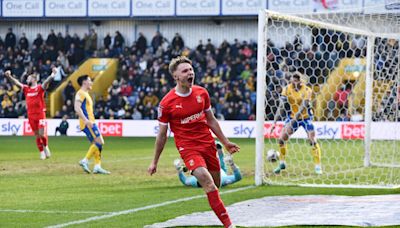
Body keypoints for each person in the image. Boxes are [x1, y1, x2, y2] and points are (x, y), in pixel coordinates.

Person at [148, 56, 239, 228]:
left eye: (191, 70)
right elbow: (162, 135)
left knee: (215, 185)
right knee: (207, 181)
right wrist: (154, 161)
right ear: (175, 76)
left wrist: (225, 142)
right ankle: (229, 225)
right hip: (188, 148)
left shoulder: (202, 93)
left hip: (208, 144)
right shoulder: (166, 103)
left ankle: (209, 193)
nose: (190, 73)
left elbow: (211, 120)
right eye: (185, 71)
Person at [270, 72, 322, 175]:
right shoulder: (287, 89)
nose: (295, 82)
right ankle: (282, 163)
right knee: (281, 139)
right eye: (294, 80)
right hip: (293, 117)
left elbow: (303, 107)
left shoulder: (307, 90)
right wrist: (274, 122)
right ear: (291, 80)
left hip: (306, 117)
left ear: (301, 80)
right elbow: (281, 106)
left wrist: (292, 122)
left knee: (312, 140)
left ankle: (317, 166)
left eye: (298, 80)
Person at [5, 68, 56, 160]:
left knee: (42, 134)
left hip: (40, 114)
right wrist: (9, 76)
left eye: (28, 78)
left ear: (34, 80)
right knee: (36, 135)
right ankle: (41, 152)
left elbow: (46, 82)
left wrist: (53, 74)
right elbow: (17, 83)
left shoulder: (40, 88)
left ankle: (45, 146)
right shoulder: (26, 89)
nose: (27, 80)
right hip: (31, 115)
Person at [74, 75, 110, 174]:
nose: (91, 83)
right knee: (100, 142)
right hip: (88, 123)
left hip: (90, 122)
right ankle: (85, 160)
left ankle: (97, 166)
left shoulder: (86, 94)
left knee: (96, 145)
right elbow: (77, 108)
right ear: (84, 82)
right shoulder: (80, 93)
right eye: (90, 81)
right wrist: (86, 120)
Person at [174, 141, 242, 187]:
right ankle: (230, 161)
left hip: (210, 174)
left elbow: (185, 181)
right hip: (207, 176)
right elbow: (238, 177)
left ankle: (229, 161)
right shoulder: (222, 179)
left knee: (219, 162)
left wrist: (179, 171)